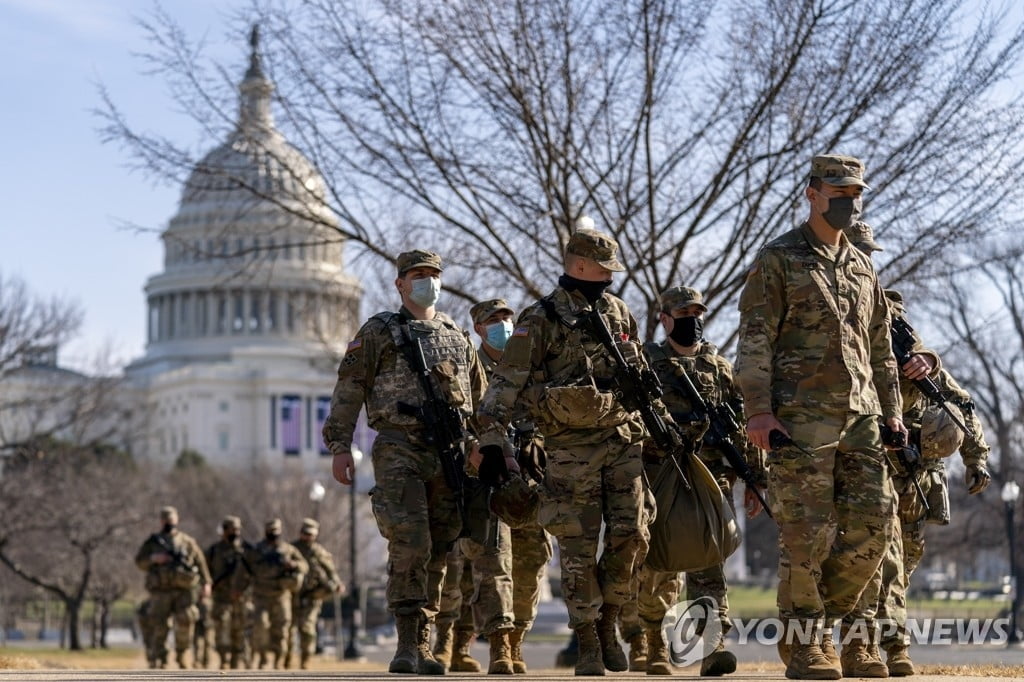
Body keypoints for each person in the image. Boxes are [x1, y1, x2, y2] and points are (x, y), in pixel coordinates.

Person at [736, 154, 905, 680]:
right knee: (806, 536)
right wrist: (759, 411)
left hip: (863, 418)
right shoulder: (778, 259)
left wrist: (893, 413)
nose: (850, 202)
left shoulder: (861, 264)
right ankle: (809, 645)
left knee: (874, 526)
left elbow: (880, 347)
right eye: (839, 192)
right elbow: (755, 341)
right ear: (812, 194)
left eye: (856, 193)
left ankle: (847, 638)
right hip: (800, 422)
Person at [477, 225, 669, 676]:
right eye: (603, 269)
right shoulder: (540, 318)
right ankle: (586, 637)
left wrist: (660, 424)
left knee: (634, 534)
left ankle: (608, 619)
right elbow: (508, 380)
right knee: (577, 547)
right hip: (568, 448)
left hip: (621, 441)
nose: (609, 277)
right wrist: (490, 437)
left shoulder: (619, 312)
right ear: (578, 265)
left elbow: (640, 374)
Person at [323, 249, 487, 675]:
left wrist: (484, 446)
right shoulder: (379, 331)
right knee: (410, 540)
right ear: (400, 283)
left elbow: (481, 401)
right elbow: (349, 389)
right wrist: (340, 445)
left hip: (449, 453)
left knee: (440, 547)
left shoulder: (456, 334)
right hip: (400, 446)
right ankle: (406, 644)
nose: (427, 281)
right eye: (418, 274)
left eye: (433, 274)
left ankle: (424, 643)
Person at [845, 225, 992, 675]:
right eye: (859, 251)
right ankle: (862, 647)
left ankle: (892, 647)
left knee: (902, 564)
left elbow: (958, 401)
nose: (865, 259)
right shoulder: (842, 323)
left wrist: (977, 457)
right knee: (870, 558)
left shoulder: (895, 325)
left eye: (869, 253)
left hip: (913, 473)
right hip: (864, 463)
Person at [619, 285, 766, 677]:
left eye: (697, 313)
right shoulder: (647, 363)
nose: (692, 321)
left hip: (712, 479)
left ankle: (713, 645)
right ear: (664, 318)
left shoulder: (718, 367)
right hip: (661, 478)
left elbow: (740, 426)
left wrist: (755, 478)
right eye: (683, 314)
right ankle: (652, 641)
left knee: (709, 560)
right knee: (658, 566)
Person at [434, 298, 519, 674]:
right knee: (454, 568)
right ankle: (446, 643)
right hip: (465, 473)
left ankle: (501, 647)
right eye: (494, 320)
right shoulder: (469, 364)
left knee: (495, 563)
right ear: (479, 327)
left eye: (507, 318)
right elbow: (463, 415)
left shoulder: (526, 366)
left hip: (505, 475)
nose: (503, 325)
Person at [134, 505, 212, 669]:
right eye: (166, 519)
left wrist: (206, 583)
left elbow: (201, 562)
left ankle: (182, 655)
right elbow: (139, 562)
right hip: (160, 591)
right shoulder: (153, 542)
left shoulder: (187, 542)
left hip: (183, 590)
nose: (169, 522)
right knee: (159, 624)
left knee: (186, 620)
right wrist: (154, 559)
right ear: (161, 521)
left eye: (171, 519)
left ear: (177, 520)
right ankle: (160, 659)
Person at [246, 518, 308, 670]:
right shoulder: (257, 550)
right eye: (271, 531)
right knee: (260, 626)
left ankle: (278, 660)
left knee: (281, 629)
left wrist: (293, 564)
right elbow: (245, 569)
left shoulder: (288, 549)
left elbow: (304, 566)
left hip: (281, 596)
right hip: (261, 596)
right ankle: (263, 658)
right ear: (266, 532)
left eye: (276, 531)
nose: (274, 534)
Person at [287, 518, 345, 670]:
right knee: (288, 629)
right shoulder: (291, 549)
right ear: (301, 533)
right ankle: (286, 660)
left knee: (307, 629)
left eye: (311, 534)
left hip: (312, 596)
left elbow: (330, 571)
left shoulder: (319, 551)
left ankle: (305, 660)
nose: (308, 537)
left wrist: (337, 584)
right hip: (292, 596)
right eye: (305, 533)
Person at [205, 515, 253, 670]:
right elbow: (205, 572)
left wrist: (244, 591)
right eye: (232, 530)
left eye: (238, 529)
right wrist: (207, 586)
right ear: (224, 531)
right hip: (221, 598)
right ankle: (223, 660)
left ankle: (236, 664)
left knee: (239, 633)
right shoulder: (214, 551)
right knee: (221, 631)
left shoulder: (247, 551)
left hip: (242, 599)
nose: (236, 533)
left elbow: (256, 575)